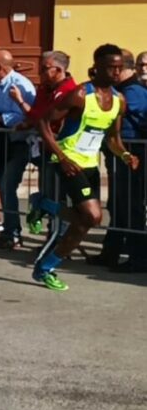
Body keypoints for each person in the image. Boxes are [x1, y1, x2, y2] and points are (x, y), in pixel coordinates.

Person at [34, 44, 140, 291]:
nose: (116, 72)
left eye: (119, 68)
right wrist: (61, 157)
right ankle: (45, 267)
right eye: (110, 67)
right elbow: (43, 122)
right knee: (93, 215)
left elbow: (113, 139)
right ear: (97, 68)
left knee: (86, 221)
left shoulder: (119, 100)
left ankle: (43, 206)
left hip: (90, 163)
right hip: (69, 160)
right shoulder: (81, 94)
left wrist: (125, 154)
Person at [91, 49, 147, 271]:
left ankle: (138, 258)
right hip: (119, 155)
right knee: (118, 206)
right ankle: (110, 253)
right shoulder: (121, 90)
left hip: (133, 155)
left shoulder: (133, 92)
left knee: (131, 207)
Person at [0, 50, 37, 251]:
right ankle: (9, 230)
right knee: (1, 185)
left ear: (1, 67)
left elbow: (29, 116)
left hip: (18, 143)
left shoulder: (22, 85)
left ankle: (13, 233)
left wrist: (1, 119)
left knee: (7, 185)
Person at [23, 51, 78, 234]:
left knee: (58, 197)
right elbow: (37, 115)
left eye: (45, 68)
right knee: (47, 193)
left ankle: (60, 237)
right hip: (45, 148)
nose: (41, 72)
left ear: (59, 70)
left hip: (62, 150)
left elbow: (46, 118)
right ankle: (52, 233)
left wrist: (22, 105)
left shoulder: (69, 91)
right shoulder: (44, 89)